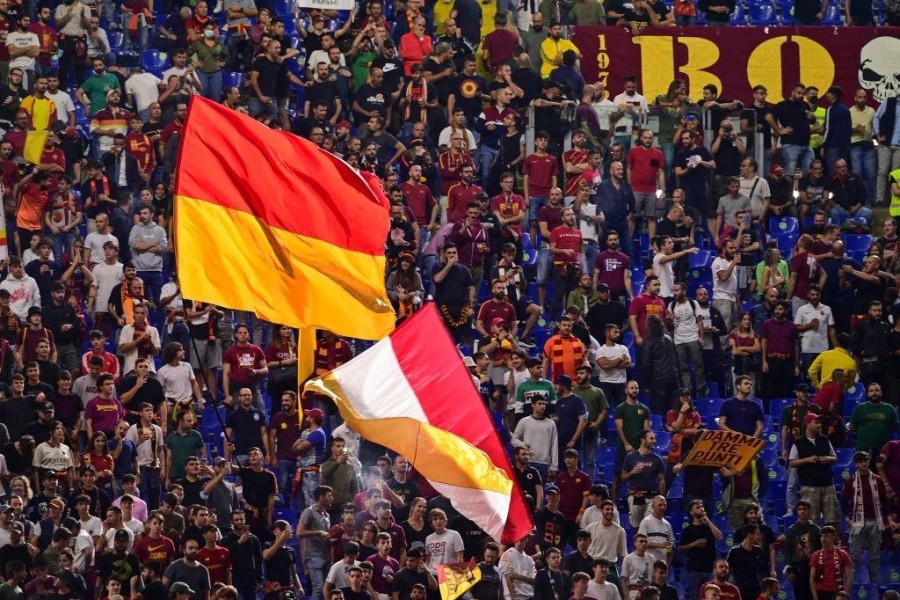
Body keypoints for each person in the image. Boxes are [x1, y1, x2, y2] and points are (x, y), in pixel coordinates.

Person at [840, 451, 887, 585]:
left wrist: (887, 518)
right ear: (856, 463)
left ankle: (874, 584)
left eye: (866, 460)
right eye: (861, 461)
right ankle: (851, 585)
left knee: (874, 556)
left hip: (874, 521)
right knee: (854, 556)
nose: (864, 463)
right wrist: (847, 518)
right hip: (857, 521)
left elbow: (884, 501)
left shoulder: (877, 479)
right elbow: (843, 501)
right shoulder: (851, 480)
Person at [621, 431, 665, 528]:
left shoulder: (657, 459)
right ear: (643, 440)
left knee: (650, 526)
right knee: (636, 526)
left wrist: (661, 498)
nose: (654, 441)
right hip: (636, 496)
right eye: (651, 438)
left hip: (652, 497)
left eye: (654, 438)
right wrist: (632, 472)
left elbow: (661, 480)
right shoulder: (630, 457)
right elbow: (623, 478)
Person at [808, 525, 852, 600]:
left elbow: (849, 577)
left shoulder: (843, 554)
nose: (823, 539)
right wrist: (815, 597)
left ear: (833, 537)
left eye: (826, 536)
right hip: (821, 592)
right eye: (822, 536)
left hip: (837, 592)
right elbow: (812, 579)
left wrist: (845, 595)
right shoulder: (816, 555)